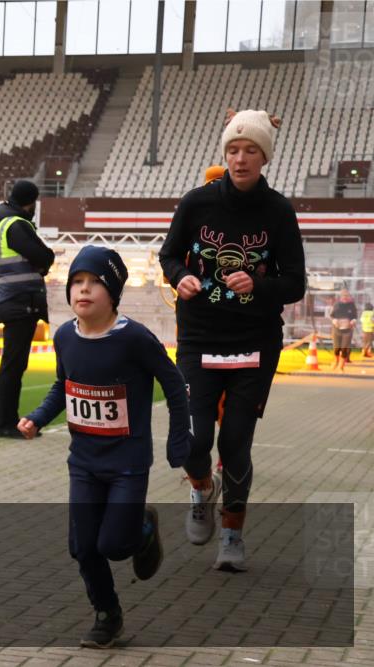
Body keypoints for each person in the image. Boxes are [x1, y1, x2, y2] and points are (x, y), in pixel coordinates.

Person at [17, 246, 190, 649]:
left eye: (95, 282)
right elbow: (64, 385)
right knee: (82, 547)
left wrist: (179, 439)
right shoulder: (65, 336)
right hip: (83, 463)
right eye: (77, 281)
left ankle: (142, 528)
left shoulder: (134, 338)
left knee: (113, 545)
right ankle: (107, 614)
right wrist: (38, 417)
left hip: (127, 462)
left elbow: (174, 384)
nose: (84, 289)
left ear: (113, 292)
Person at [159, 108, 306, 572]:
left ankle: (232, 534)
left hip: (254, 342)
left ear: (265, 157)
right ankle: (202, 488)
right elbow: (168, 255)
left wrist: (258, 285)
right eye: (234, 150)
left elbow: (295, 283)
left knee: (235, 443)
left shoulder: (279, 211)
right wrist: (180, 276)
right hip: (199, 337)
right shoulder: (196, 203)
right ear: (225, 154)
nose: (241, 159)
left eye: (251, 151)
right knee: (194, 440)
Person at [0, 179, 55, 438]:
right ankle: (6, 424)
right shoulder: (17, 225)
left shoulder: (4, 224)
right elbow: (44, 256)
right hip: (21, 302)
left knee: (14, 365)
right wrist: (45, 262)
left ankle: (7, 422)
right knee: (13, 366)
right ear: (31, 202)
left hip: (16, 301)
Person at [329, 287, 358, 372]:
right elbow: (332, 315)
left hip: (348, 330)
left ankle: (341, 366)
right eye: (343, 295)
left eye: (347, 295)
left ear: (349, 296)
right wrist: (334, 320)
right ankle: (336, 361)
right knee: (336, 348)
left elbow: (355, 316)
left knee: (344, 348)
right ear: (341, 296)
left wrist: (353, 321)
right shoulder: (337, 304)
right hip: (337, 329)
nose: (345, 297)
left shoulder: (352, 305)